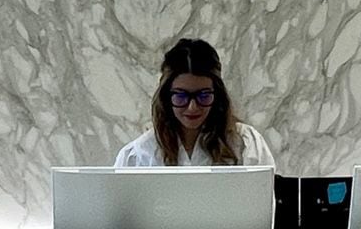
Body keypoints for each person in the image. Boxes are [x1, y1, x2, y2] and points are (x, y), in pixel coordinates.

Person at [113, 38, 276, 168]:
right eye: (181, 96)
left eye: (203, 96)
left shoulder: (246, 145)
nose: (192, 107)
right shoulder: (139, 156)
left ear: (217, 96)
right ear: (166, 97)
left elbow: (264, 197)